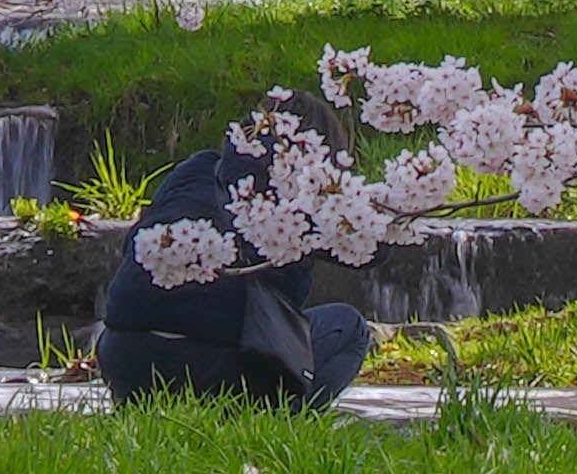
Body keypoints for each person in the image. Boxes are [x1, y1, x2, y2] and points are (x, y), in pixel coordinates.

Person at [88, 129, 380, 409]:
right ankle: (279, 421)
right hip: (220, 370)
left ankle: (142, 407)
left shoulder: (196, 169)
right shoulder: (303, 196)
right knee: (350, 326)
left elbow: (134, 243)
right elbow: (371, 250)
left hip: (123, 358)